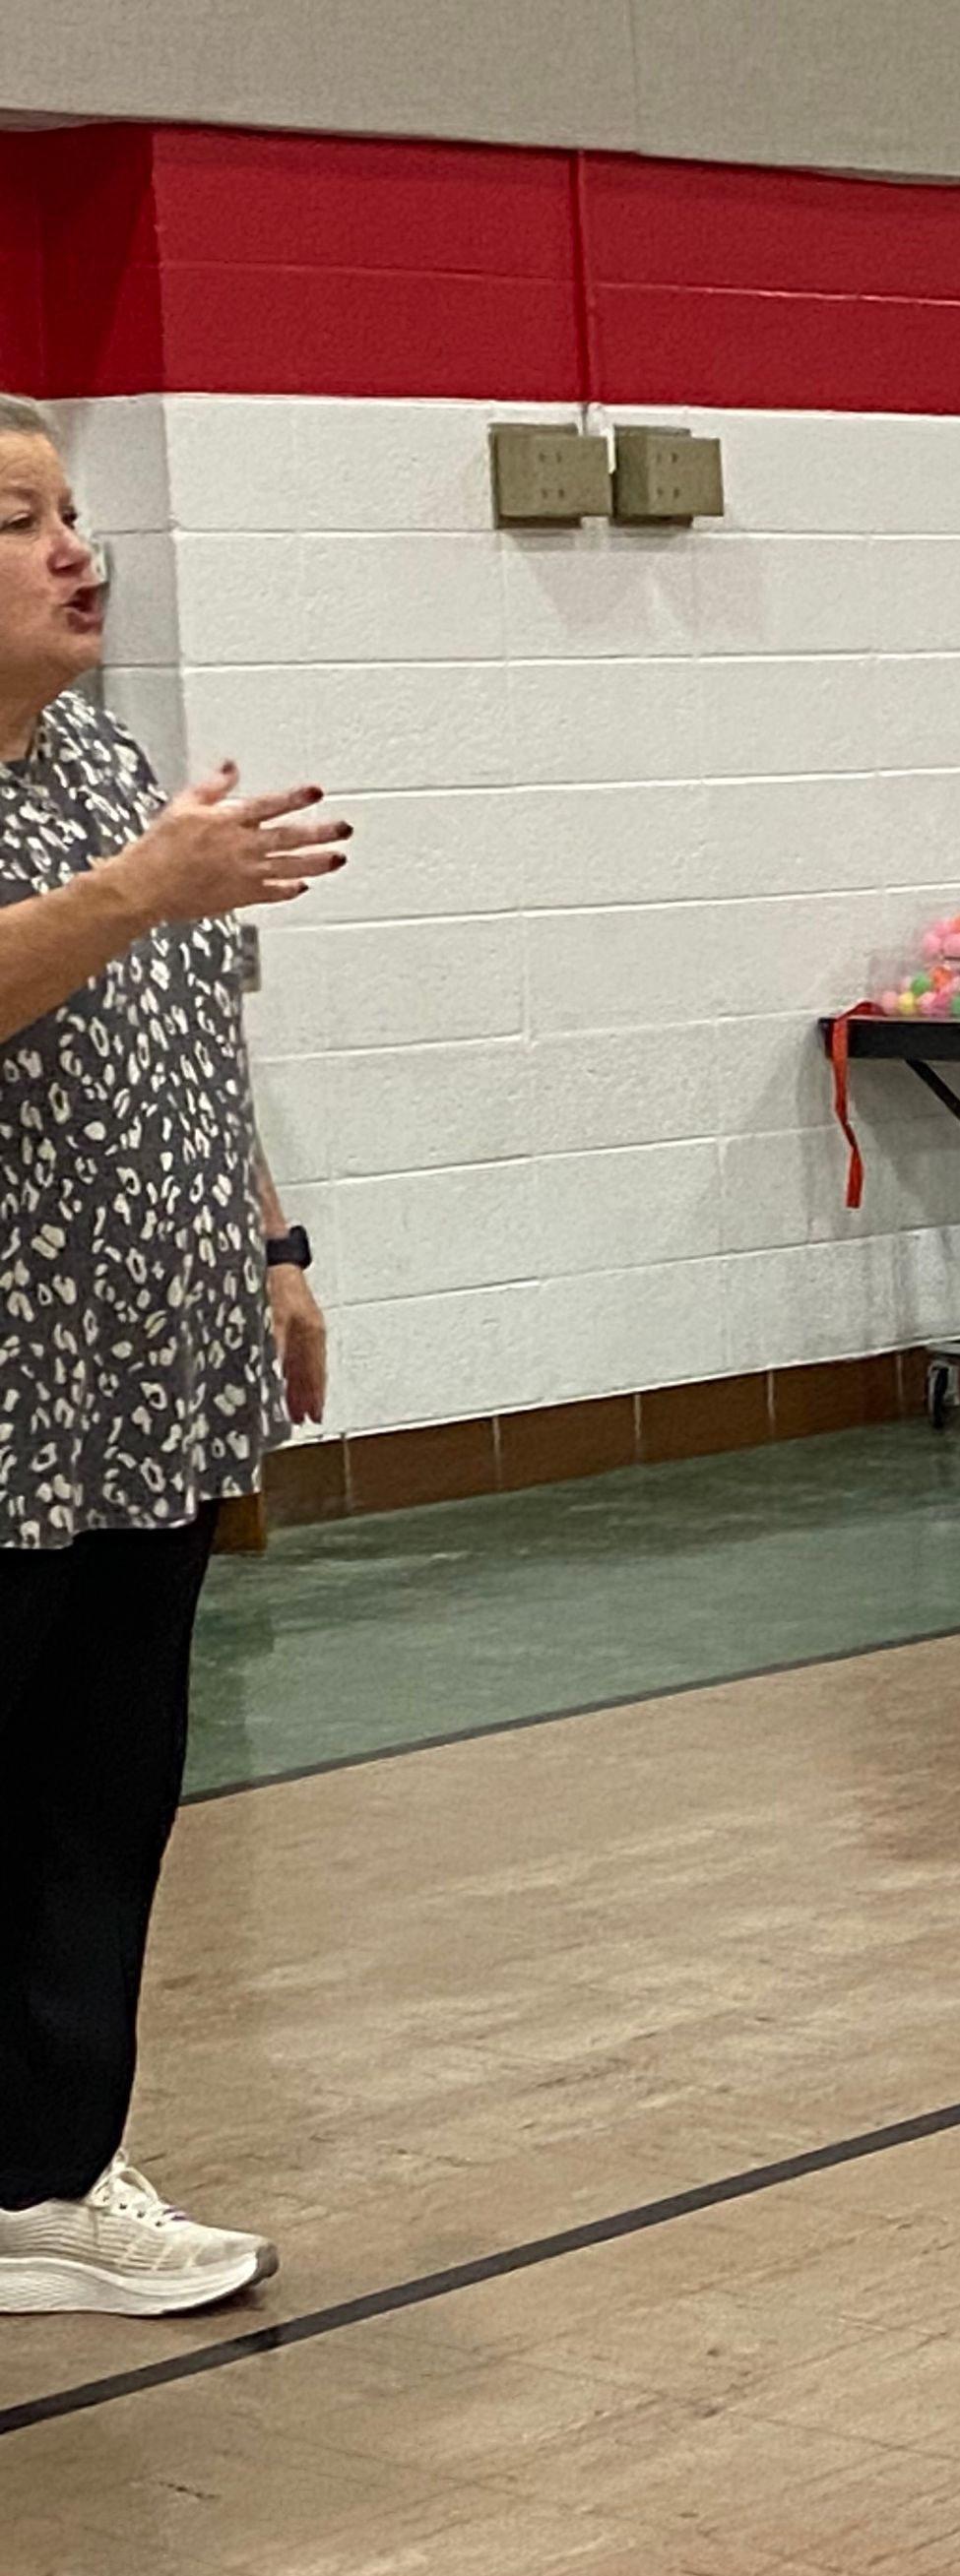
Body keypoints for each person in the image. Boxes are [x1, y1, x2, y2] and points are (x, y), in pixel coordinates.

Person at [0, 391, 348, 2319]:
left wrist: (271, 1238)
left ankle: (43, 2178)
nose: (76, 552)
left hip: (134, 1389)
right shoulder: (115, 836)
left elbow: (185, 1036)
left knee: (93, 1797)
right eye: (17, 519)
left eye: (74, 514)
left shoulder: (103, 765)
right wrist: (144, 887)